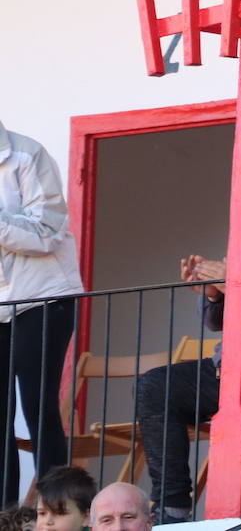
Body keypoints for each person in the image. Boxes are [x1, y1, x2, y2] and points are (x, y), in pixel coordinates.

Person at [0, 120, 85, 506]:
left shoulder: (26, 154)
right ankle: (6, 515)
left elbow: (47, 232)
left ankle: (59, 509)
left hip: (43, 297)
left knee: (38, 404)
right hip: (3, 302)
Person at [136, 254, 225, 523]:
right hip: (227, 366)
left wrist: (235, 283)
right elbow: (215, 323)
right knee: (154, 386)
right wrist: (214, 295)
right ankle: (171, 510)